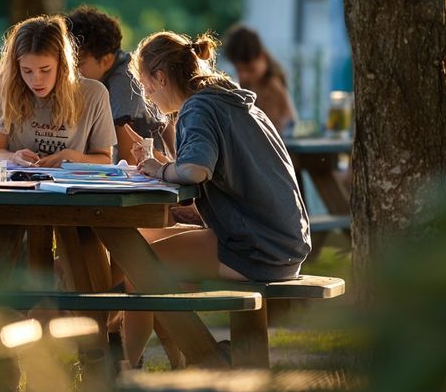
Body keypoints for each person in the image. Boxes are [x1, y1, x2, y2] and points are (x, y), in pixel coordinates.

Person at [123, 31, 312, 367]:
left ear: (161, 78)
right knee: (145, 244)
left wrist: (158, 169)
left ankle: (120, 375)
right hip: (282, 241)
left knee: (140, 265)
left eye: (148, 88)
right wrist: (195, 211)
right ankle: (202, 358)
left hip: (260, 249)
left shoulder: (198, 107)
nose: (149, 98)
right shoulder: (230, 100)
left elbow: (195, 170)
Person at [0, 15, 116, 168]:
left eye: (45, 70)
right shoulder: (6, 89)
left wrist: (74, 157)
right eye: (27, 70)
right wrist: (13, 157)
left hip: (70, 187)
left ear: (62, 65)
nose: (36, 80)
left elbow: (105, 158)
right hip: (21, 183)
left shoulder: (94, 93)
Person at [66, 5, 171, 163]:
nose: (71, 71)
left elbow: (128, 158)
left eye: (78, 64)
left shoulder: (124, 81)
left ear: (106, 60)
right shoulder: (115, 69)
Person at [223, 24, 297, 135]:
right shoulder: (249, 83)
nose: (243, 76)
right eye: (238, 70)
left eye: (250, 70)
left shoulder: (271, 86)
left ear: (262, 56)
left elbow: (267, 131)